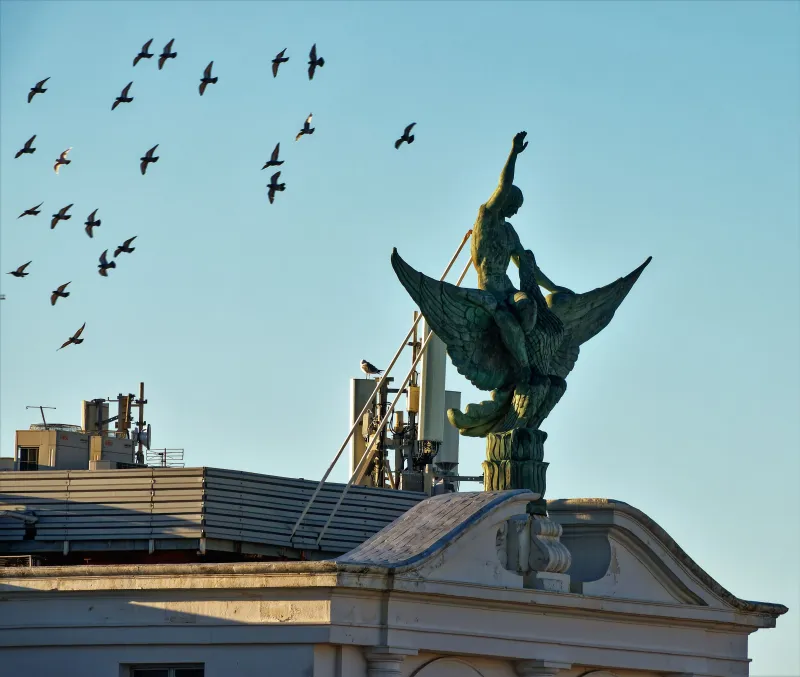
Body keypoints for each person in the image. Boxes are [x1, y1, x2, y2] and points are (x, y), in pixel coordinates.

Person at [470, 131, 572, 381]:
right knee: (510, 323)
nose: (516, 212)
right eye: (515, 206)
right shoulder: (487, 218)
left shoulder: (509, 231)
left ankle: (518, 353)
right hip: (489, 289)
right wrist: (513, 153)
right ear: (505, 202)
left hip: (507, 288)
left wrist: (554, 287)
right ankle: (515, 363)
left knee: (528, 305)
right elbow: (503, 185)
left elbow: (527, 266)